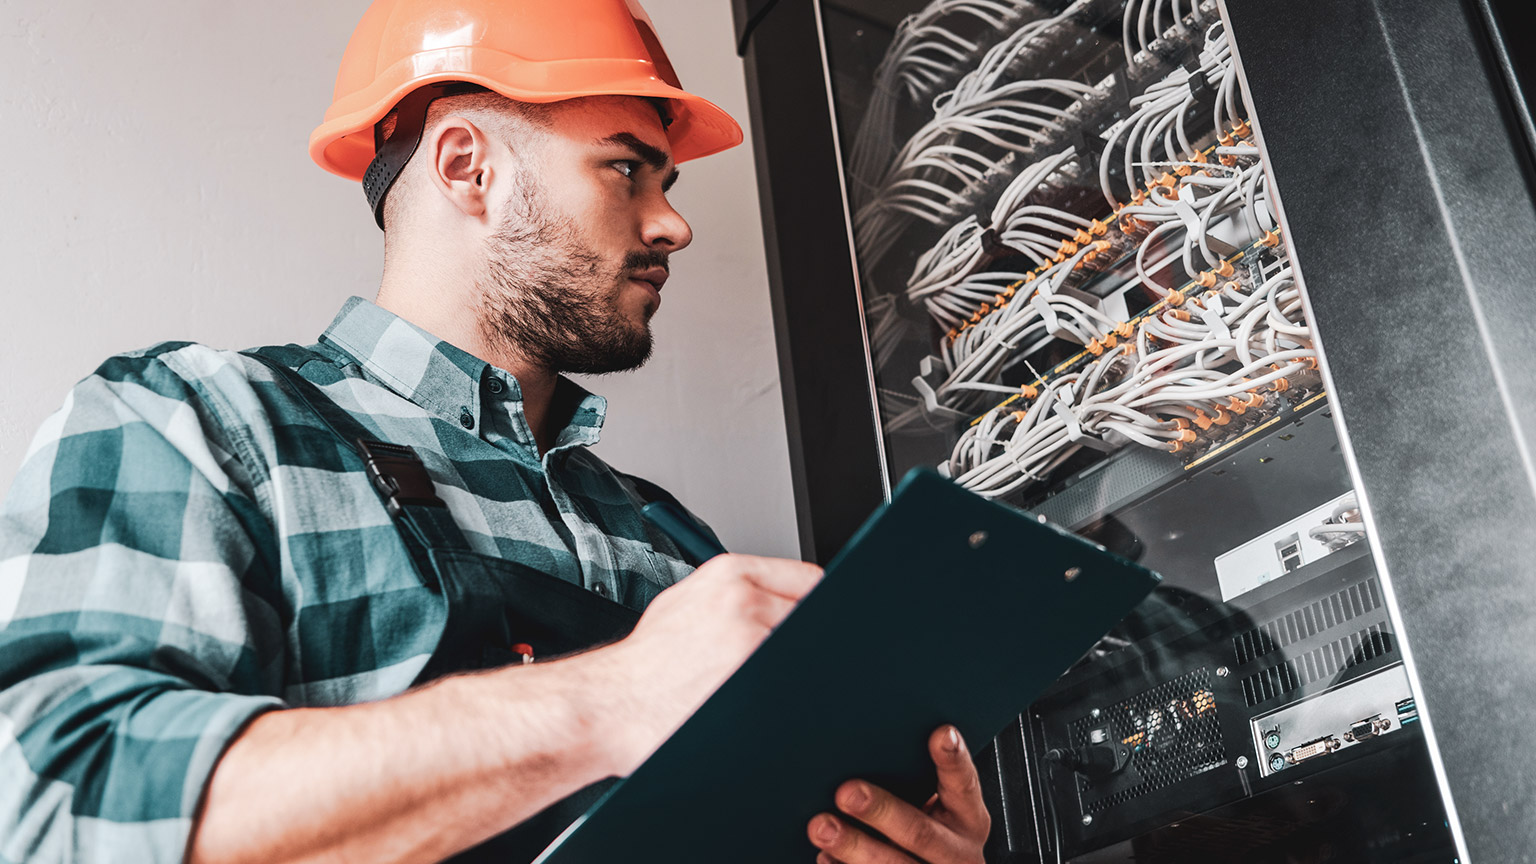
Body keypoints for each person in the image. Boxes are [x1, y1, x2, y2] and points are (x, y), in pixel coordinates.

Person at [0, 2, 991, 862]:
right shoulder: (205, 429)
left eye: (667, 186)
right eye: (626, 172)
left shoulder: (671, 541)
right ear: (468, 166)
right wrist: (606, 702)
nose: (672, 224)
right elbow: (51, 804)